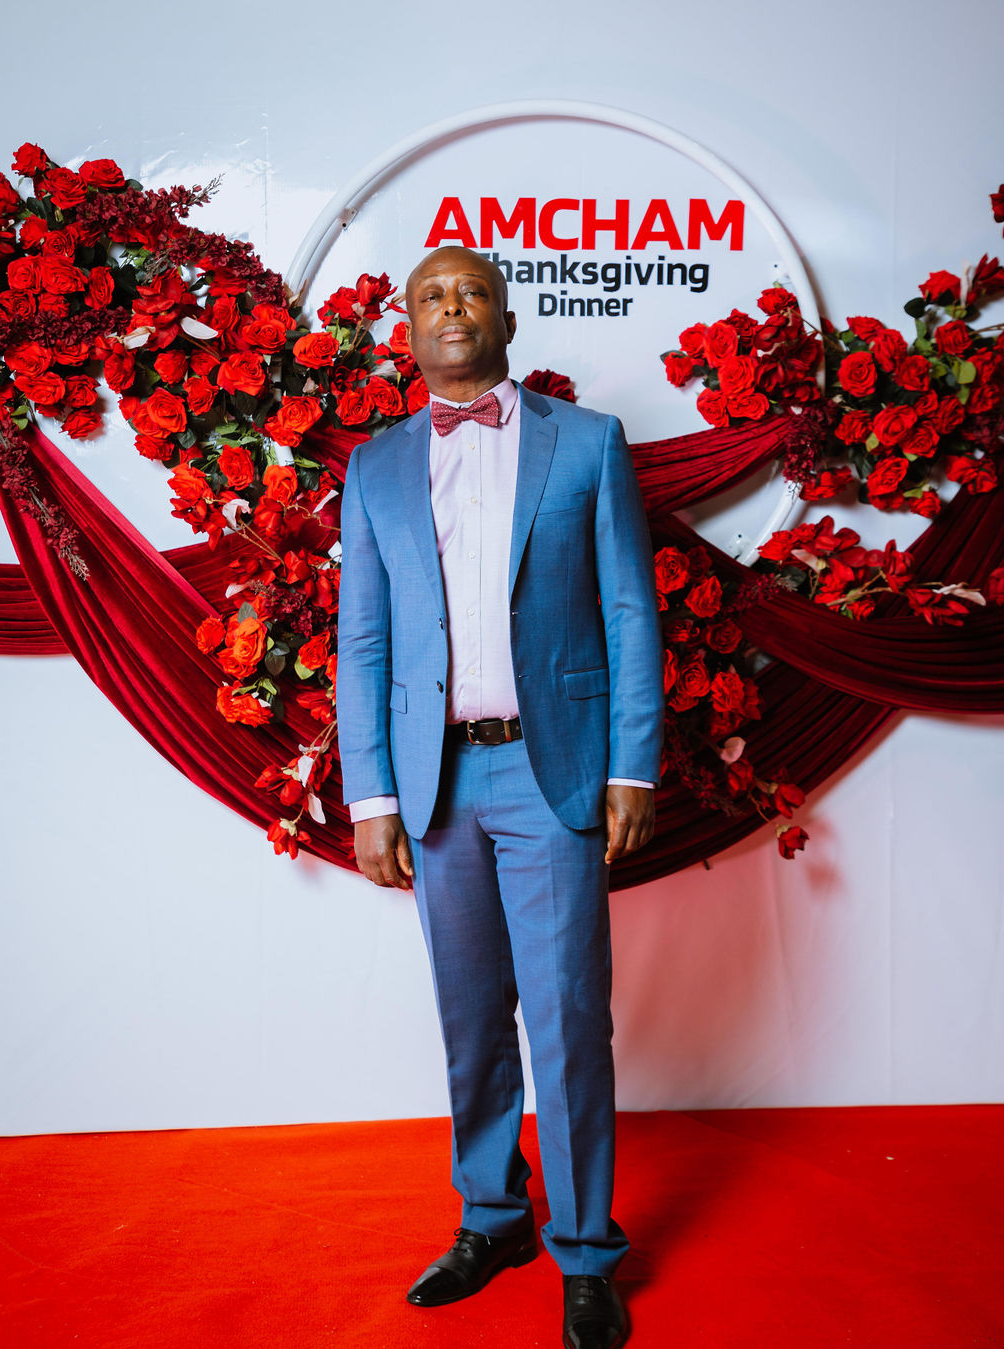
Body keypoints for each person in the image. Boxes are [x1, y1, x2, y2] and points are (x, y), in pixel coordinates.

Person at [336, 245, 664, 1349]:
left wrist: (630, 766)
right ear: (408, 328)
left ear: (507, 317)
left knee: (566, 1016)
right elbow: (363, 641)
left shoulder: (589, 442)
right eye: (431, 295)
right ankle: (492, 1218)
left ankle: (585, 1249)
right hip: (434, 781)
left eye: (472, 290)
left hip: (550, 768)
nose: (453, 308)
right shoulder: (375, 467)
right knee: (470, 1015)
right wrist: (371, 794)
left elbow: (629, 609)